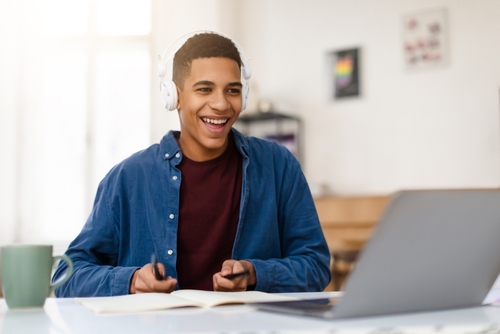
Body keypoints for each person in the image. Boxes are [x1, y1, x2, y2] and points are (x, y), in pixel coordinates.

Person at [52, 32, 331, 297]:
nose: (221, 104)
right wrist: (133, 281)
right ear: (174, 96)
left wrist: (255, 274)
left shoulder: (278, 166)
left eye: (232, 90)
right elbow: (66, 276)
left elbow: (316, 266)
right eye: (205, 89)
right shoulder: (128, 178)